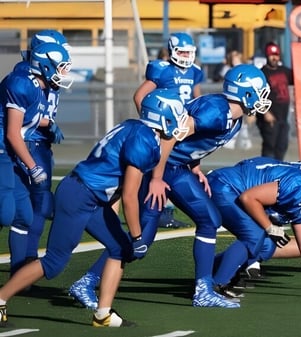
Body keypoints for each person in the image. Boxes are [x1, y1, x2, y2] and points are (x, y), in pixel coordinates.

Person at [68, 64, 272, 309]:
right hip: (160, 168)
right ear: (246, 93)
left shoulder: (232, 117)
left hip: (176, 169)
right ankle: (87, 281)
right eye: (260, 92)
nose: (263, 98)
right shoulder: (216, 113)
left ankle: (203, 290)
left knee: (209, 219)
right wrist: (156, 177)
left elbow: (192, 143)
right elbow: (170, 136)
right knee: (143, 237)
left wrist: (194, 166)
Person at [0, 89, 189, 328]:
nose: (182, 121)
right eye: (178, 115)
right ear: (162, 117)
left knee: (119, 248)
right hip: (80, 195)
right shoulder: (145, 139)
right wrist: (138, 235)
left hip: (90, 194)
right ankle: (1, 299)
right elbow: (130, 195)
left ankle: (103, 313)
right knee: (54, 262)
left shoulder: (134, 127)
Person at [209, 158, 301, 300]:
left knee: (266, 246)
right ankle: (218, 286)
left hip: (232, 191)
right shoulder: (298, 184)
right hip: (224, 185)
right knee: (255, 236)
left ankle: (213, 269)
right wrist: (270, 227)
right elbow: (248, 198)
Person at [1, 41, 72, 275]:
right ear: (46, 65)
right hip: (3, 151)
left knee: (25, 216)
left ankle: (18, 273)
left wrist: (49, 123)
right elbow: (13, 133)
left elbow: (29, 120)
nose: (64, 72)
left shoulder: (40, 88)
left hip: (13, 152)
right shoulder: (21, 83)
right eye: (61, 66)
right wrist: (32, 166)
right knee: (5, 213)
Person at [131, 32, 204, 229]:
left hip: (182, 128)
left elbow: (197, 102)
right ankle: (148, 209)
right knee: (154, 168)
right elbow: (139, 96)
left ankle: (166, 211)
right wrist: (150, 123)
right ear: (172, 50)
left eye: (190, 53)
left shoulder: (195, 72)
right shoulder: (162, 70)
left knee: (173, 168)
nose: (186, 56)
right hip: (163, 127)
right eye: (182, 52)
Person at [258, 42, 293, 160]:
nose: (274, 58)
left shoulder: (284, 71)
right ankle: (266, 171)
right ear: (266, 56)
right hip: (270, 117)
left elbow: (298, 78)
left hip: (283, 116)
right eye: (271, 55)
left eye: (276, 55)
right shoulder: (262, 73)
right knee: (269, 147)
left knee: (282, 146)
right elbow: (257, 95)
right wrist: (265, 113)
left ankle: (279, 172)